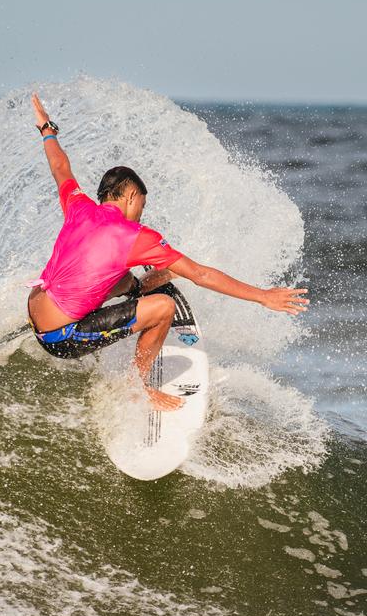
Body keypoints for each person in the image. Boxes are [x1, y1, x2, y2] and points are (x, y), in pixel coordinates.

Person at [26, 93, 309, 410]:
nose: (141, 215)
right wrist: (262, 296)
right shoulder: (136, 237)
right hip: (61, 337)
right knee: (163, 306)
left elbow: (59, 165)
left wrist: (46, 128)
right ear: (131, 197)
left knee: (119, 278)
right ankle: (137, 387)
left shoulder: (78, 205)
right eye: (142, 206)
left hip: (35, 309)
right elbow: (201, 275)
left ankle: (137, 289)